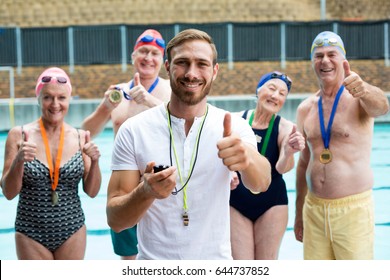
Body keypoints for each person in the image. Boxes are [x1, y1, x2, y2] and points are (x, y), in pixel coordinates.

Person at [106, 28, 272, 260]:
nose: (191, 73)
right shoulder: (134, 130)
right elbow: (115, 221)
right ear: (168, 67)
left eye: (201, 64)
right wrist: (145, 192)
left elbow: (261, 183)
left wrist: (247, 157)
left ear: (214, 71)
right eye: (182, 62)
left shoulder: (233, 126)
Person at [294, 31, 390, 260]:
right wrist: (299, 213)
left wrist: (364, 89)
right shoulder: (305, 108)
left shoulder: (359, 97)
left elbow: (382, 107)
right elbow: (303, 163)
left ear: (343, 61)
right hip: (314, 210)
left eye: (331, 54)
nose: (324, 61)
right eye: (318, 56)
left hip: (352, 211)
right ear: (312, 62)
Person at [82, 29, 171, 260]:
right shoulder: (118, 92)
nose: (148, 58)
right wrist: (105, 108)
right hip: (124, 182)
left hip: (160, 179)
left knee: (165, 252)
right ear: (133, 56)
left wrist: (149, 101)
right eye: (143, 51)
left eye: (154, 53)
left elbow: (182, 124)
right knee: (128, 255)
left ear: (162, 61)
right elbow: (87, 131)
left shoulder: (171, 90)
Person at [0, 67, 101, 260]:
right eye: (47, 97)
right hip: (30, 231)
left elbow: (93, 191)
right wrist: (19, 161)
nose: (55, 104)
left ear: (69, 99)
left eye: (61, 98)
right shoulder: (18, 135)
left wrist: (95, 161)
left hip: (72, 229)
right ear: (38, 99)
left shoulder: (81, 137)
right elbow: (9, 192)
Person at [229, 71, 305, 260]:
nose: (275, 95)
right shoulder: (236, 119)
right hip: (235, 202)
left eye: (282, 93)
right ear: (258, 89)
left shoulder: (286, 127)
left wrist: (288, 152)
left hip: (272, 203)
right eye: (271, 88)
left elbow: (281, 169)